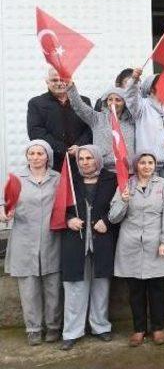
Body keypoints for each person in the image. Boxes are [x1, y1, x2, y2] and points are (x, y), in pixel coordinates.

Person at [108, 151, 164, 346]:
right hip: (130, 246)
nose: (146, 166)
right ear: (136, 165)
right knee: (135, 291)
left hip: (157, 245)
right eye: (142, 163)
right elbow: (113, 217)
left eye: (150, 162)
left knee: (157, 290)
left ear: (155, 166)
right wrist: (123, 200)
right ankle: (139, 329)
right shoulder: (125, 185)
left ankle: (158, 328)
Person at [1, 140, 62, 346]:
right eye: (31, 153)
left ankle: (53, 326)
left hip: (51, 240)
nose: (35, 157)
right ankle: (33, 329)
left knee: (53, 288)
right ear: (27, 156)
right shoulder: (16, 179)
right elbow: (4, 206)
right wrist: (5, 214)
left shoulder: (58, 179)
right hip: (24, 242)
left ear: (48, 157)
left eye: (40, 153)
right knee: (28, 290)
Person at [59, 145, 117, 351]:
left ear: (98, 160)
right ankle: (72, 332)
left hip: (102, 241)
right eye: (81, 158)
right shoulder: (69, 180)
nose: (85, 162)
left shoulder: (111, 179)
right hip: (76, 242)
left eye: (89, 158)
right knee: (75, 288)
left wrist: (107, 222)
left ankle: (100, 327)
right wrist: (68, 220)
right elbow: (58, 207)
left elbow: (119, 208)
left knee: (101, 287)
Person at [126, 69, 164, 179]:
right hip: (147, 167)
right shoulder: (141, 106)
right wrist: (134, 80)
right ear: (151, 88)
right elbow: (130, 97)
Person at [27, 68, 92, 171]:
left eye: (63, 79)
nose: (59, 83)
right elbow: (36, 132)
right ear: (47, 82)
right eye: (54, 80)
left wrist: (79, 146)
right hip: (51, 162)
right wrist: (63, 150)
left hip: (81, 160)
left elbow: (91, 128)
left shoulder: (83, 101)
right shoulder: (36, 103)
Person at [67, 80, 135, 172]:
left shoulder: (132, 121)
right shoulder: (97, 119)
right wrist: (71, 88)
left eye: (118, 100)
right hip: (104, 171)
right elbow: (79, 107)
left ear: (125, 103)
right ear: (106, 101)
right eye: (110, 99)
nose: (113, 103)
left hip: (128, 172)